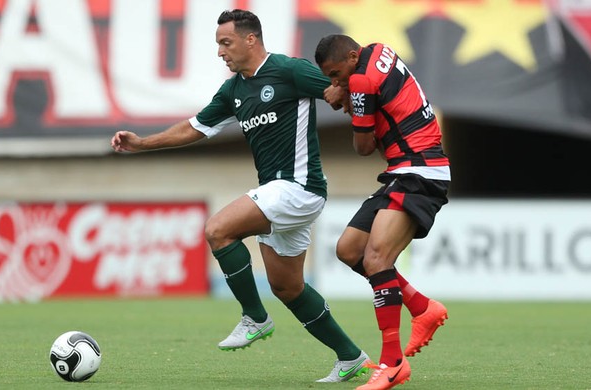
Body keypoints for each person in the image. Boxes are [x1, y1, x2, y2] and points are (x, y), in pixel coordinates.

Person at [111, 10, 370, 383]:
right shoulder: (234, 90)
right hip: (278, 193)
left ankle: (255, 318)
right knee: (287, 287)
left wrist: (342, 95)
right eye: (218, 44)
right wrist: (141, 144)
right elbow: (194, 127)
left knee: (218, 230)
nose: (220, 52)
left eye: (225, 43)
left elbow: (343, 85)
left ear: (251, 39)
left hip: (297, 188)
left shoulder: (288, 70)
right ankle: (350, 357)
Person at [314, 34, 451, 390]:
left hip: (419, 172)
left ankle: (392, 364)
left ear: (352, 56)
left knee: (376, 258)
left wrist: (348, 100)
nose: (335, 81)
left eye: (335, 73)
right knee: (349, 249)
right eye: (330, 78)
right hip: (404, 171)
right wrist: (350, 96)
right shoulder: (378, 52)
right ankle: (422, 307)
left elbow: (363, 147)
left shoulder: (359, 80)